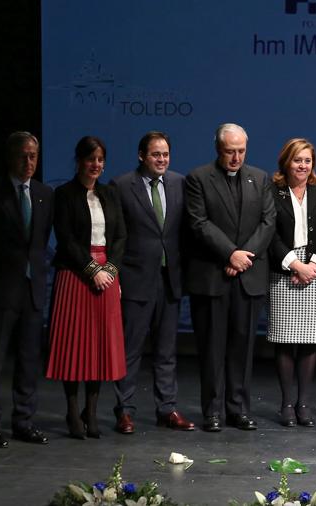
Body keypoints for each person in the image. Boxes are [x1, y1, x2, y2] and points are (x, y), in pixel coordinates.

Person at [184, 123, 276, 432]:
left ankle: (238, 409)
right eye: (229, 152)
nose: (235, 158)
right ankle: (212, 411)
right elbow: (198, 223)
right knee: (211, 349)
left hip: (247, 277)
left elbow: (267, 222)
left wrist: (242, 257)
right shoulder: (198, 178)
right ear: (217, 149)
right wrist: (229, 254)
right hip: (212, 278)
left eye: (240, 151)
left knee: (242, 347)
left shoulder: (260, 178)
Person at [110, 131, 193, 434]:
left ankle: (167, 409)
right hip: (135, 279)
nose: (162, 160)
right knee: (131, 350)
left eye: (166, 154)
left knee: (166, 351)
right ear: (142, 156)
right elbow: (116, 236)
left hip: (169, 278)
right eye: (156, 154)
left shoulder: (179, 183)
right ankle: (125, 410)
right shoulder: (121, 186)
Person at [46, 135, 128, 439]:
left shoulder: (109, 194)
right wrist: (91, 270)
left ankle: (91, 412)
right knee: (74, 346)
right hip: (75, 275)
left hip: (107, 274)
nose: (96, 165)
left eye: (100, 160)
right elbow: (65, 239)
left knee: (100, 348)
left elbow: (120, 236)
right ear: (79, 160)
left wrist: (109, 269)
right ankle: (72, 411)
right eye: (91, 159)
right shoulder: (64, 194)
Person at [0, 131, 53, 448]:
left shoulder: (44, 193)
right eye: (23, 155)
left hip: (33, 288)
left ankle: (23, 421)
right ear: (11, 157)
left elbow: (40, 242)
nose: (29, 162)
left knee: (29, 360)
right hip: (2, 290)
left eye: (33, 155)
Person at [267, 138, 316, 428]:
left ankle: (304, 403)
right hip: (284, 269)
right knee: (285, 342)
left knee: (310, 341)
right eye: (298, 160)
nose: (303, 166)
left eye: (307, 161)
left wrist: (312, 266)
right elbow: (268, 234)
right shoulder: (272, 191)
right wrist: (294, 264)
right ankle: (286, 403)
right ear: (286, 161)